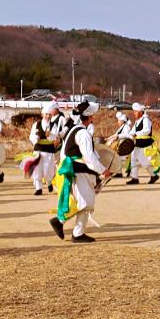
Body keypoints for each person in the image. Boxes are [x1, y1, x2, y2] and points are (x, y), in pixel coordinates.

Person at [49, 101, 110, 243]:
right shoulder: (83, 133)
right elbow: (88, 156)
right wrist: (102, 170)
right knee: (86, 201)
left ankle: (76, 232)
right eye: (92, 116)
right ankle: (62, 223)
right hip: (77, 170)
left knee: (83, 201)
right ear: (89, 118)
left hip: (72, 169)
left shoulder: (73, 129)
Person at [29, 104, 60, 195]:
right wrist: (35, 139)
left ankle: (49, 182)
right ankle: (38, 188)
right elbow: (31, 135)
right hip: (38, 149)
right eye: (46, 114)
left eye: (49, 115)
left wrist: (49, 135)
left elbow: (55, 136)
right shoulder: (36, 124)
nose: (48, 116)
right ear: (42, 115)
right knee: (37, 169)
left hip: (49, 150)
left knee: (48, 170)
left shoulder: (53, 125)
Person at [127, 102, 160, 185]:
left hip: (144, 144)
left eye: (135, 112)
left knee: (144, 162)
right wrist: (130, 136)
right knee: (133, 160)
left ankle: (154, 175)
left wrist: (136, 134)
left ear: (141, 112)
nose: (134, 113)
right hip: (137, 144)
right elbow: (132, 132)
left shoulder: (146, 120)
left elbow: (147, 130)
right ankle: (134, 178)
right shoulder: (137, 121)